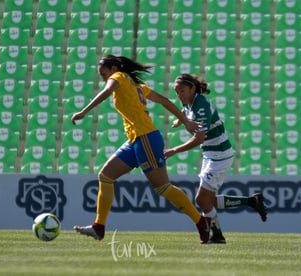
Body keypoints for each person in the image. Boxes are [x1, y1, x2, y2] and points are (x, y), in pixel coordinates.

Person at [71, 55, 211, 244]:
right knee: (105, 176)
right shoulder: (135, 86)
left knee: (162, 187)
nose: (105, 79)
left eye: (104, 74)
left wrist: (84, 111)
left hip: (146, 137)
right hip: (135, 140)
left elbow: (107, 91)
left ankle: (201, 222)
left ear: (114, 69)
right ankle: (99, 227)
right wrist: (185, 120)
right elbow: (164, 101)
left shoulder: (119, 77)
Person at [164, 73, 267, 244]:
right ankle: (252, 201)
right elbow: (186, 110)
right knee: (208, 201)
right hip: (211, 155)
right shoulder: (189, 102)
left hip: (219, 155)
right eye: (176, 92)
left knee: (201, 199)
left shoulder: (201, 106)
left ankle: (217, 234)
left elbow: (199, 139)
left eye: (182, 91)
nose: (179, 95)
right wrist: (181, 120)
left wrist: (173, 150)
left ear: (192, 89)